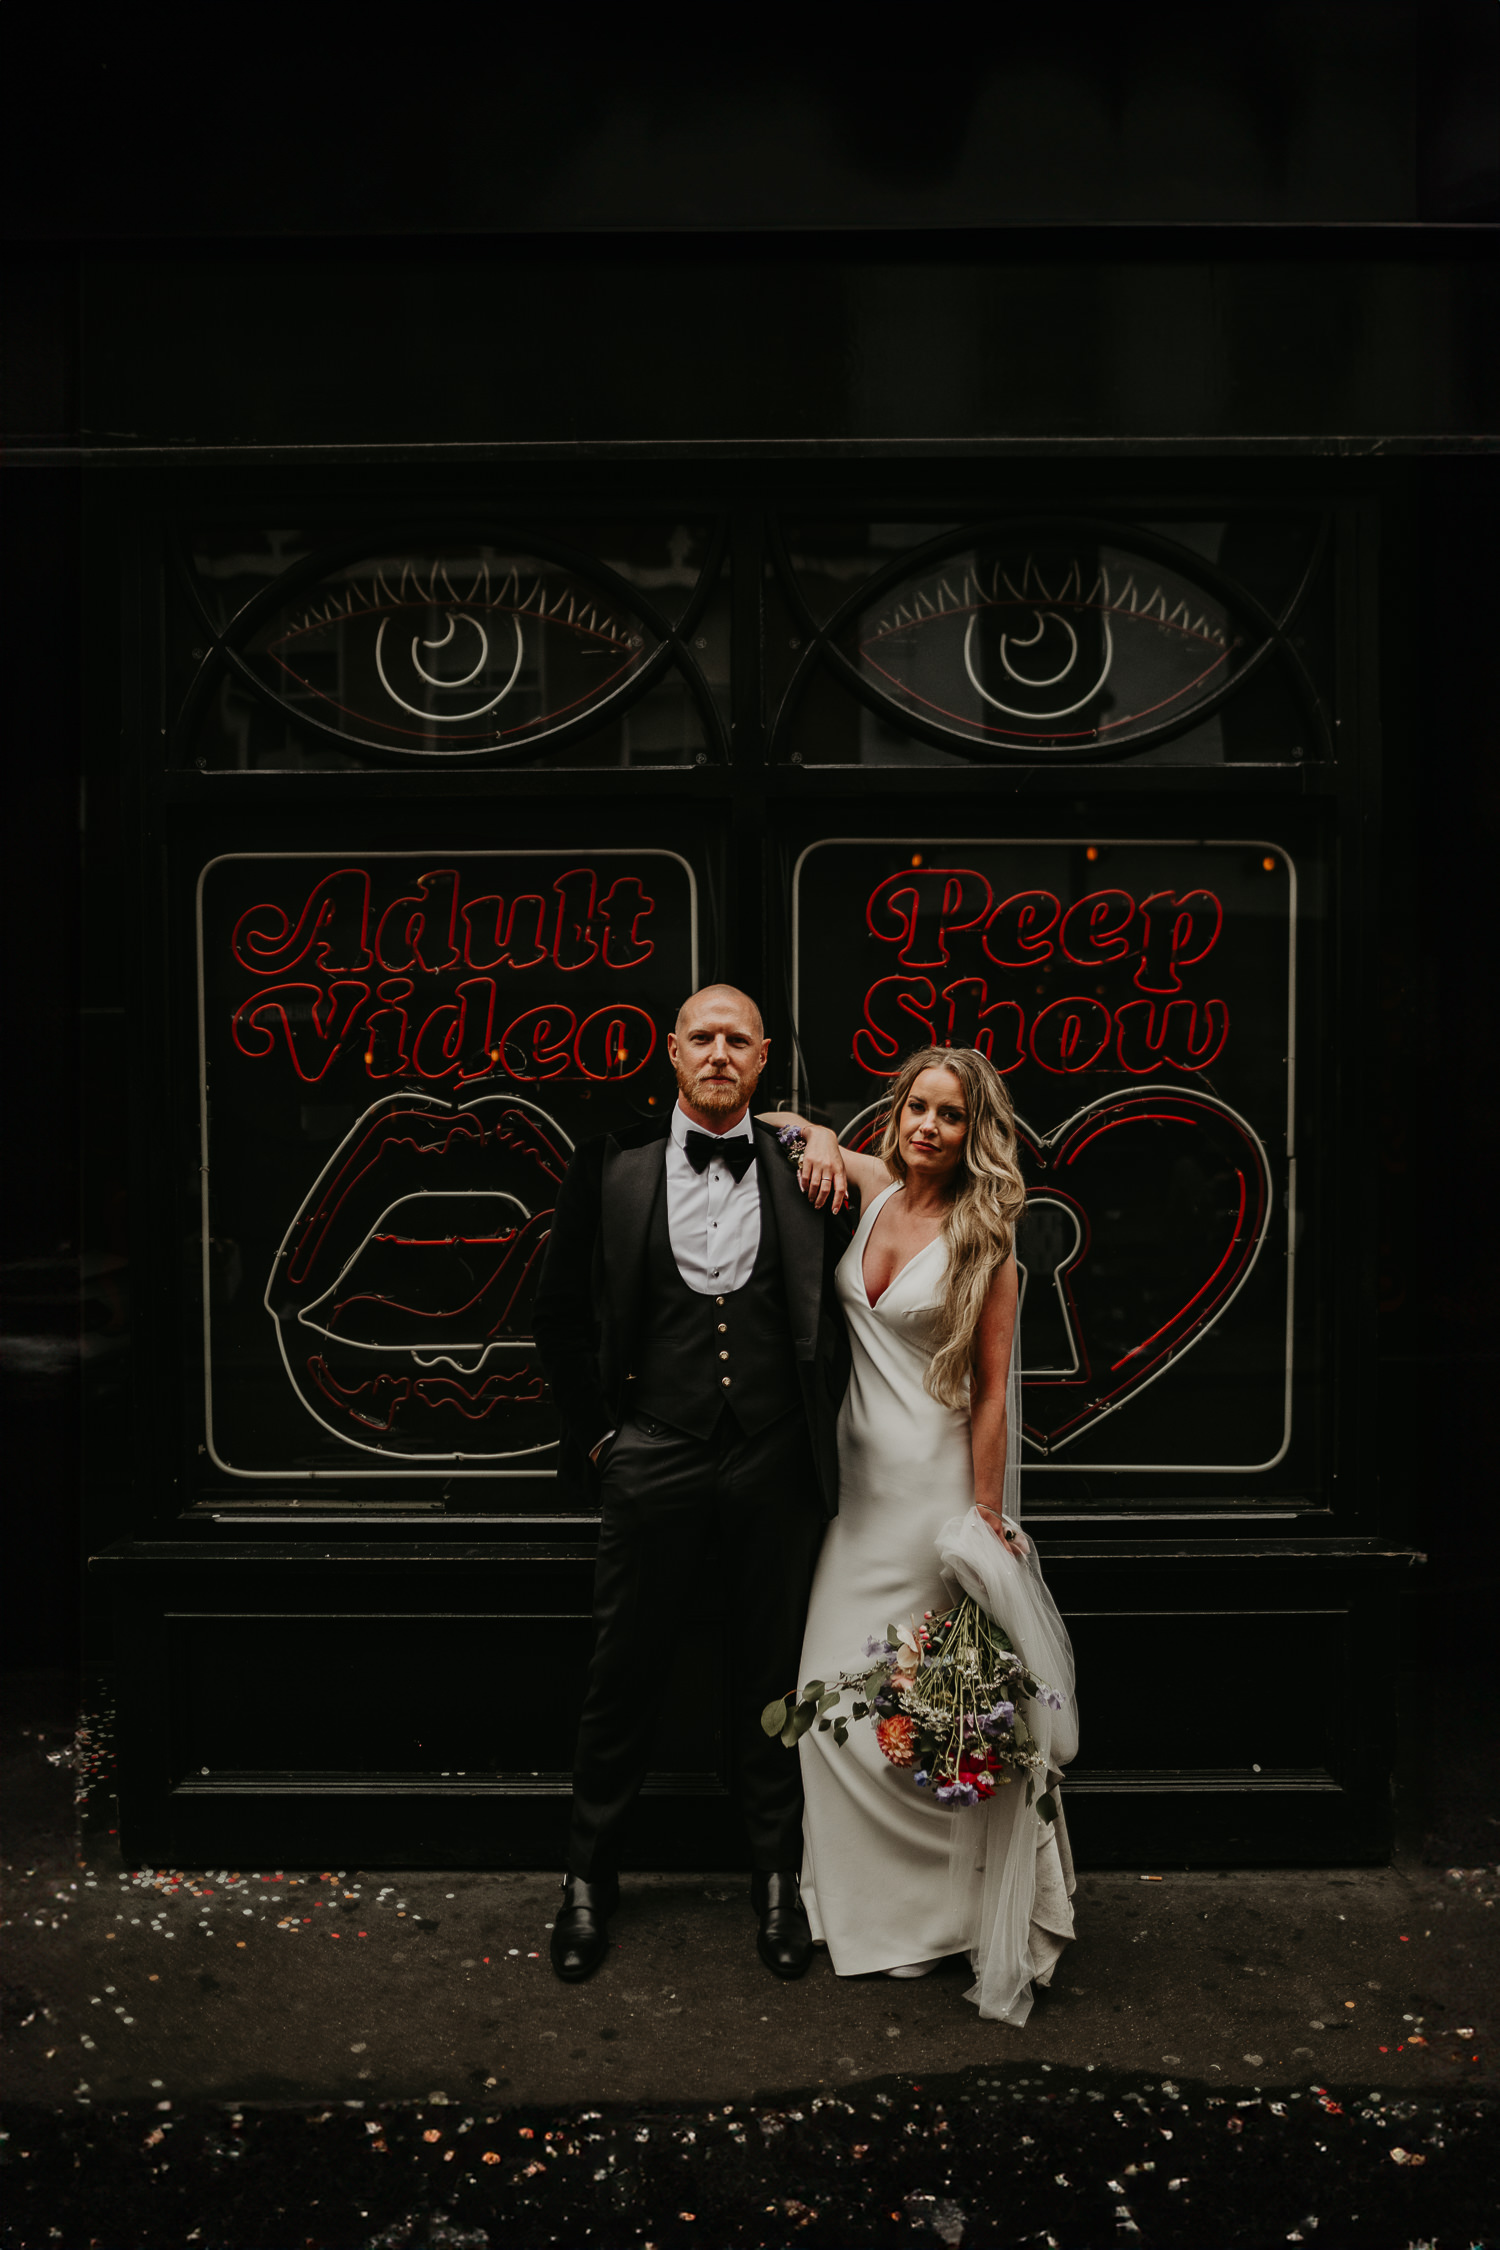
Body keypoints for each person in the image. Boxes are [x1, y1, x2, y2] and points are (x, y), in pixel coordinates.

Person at [531, 985, 854, 1983]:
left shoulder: (808, 1169)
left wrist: (830, 1137)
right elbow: (556, 1318)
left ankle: (775, 1883)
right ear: (672, 1053)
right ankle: (589, 1881)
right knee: (622, 1670)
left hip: (773, 1457)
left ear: (764, 1062)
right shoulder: (612, 1164)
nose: (719, 1054)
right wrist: (599, 1443)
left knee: (772, 1674)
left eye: (738, 1041)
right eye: (702, 1038)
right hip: (652, 1449)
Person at [762, 1046, 1077, 2024]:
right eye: (918, 1109)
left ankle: (935, 1924)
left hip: (928, 1496)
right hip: (852, 1496)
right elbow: (797, 1135)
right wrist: (810, 1130)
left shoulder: (988, 1239)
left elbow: (991, 1396)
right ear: (895, 1115)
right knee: (830, 1706)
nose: (929, 1127)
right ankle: (861, 1908)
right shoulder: (877, 1184)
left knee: (925, 1713)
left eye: (949, 1116)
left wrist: (982, 1517)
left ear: (973, 1133)